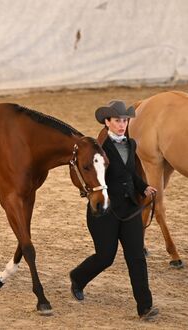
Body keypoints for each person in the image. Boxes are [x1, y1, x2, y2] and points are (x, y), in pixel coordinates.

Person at [69, 100, 159, 321]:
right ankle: (78, 277)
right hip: (105, 212)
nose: (122, 124)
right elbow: (90, 176)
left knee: (136, 257)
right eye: (117, 120)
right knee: (105, 257)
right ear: (107, 122)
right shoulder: (98, 149)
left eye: (125, 120)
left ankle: (145, 307)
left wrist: (143, 187)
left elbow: (130, 173)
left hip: (130, 210)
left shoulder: (131, 144)